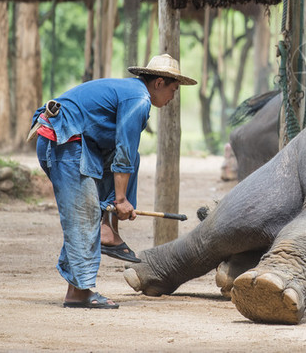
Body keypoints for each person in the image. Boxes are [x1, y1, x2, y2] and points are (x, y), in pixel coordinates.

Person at [31, 54, 197, 308]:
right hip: (63, 140)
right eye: (173, 89)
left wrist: (120, 200)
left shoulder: (132, 93)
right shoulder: (139, 99)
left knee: (124, 173)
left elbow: (128, 156)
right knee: (85, 214)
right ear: (159, 83)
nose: (173, 97)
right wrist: (120, 200)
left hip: (79, 144)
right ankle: (78, 293)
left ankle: (108, 229)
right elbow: (123, 150)